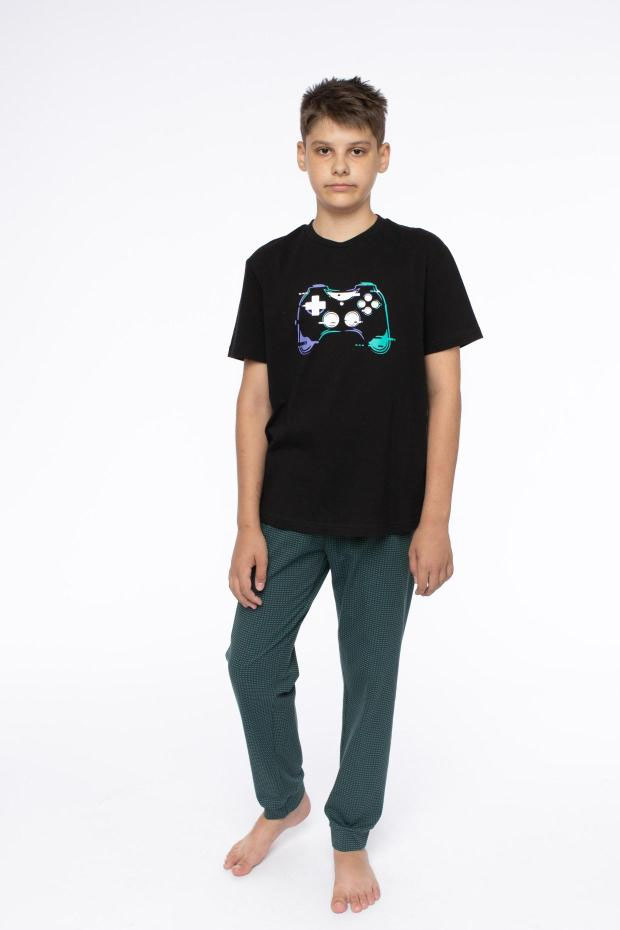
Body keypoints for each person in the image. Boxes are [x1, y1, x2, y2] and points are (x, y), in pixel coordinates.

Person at [222, 75, 483, 913]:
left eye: (357, 151)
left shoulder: (421, 259)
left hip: (386, 513)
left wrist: (435, 519)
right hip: (289, 511)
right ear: (301, 156)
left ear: (383, 158)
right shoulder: (271, 267)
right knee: (251, 661)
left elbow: (445, 393)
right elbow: (254, 402)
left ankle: (349, 834)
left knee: (371, 677)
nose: (341, 166)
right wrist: (246, 524)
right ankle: (283, 799)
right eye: (325, 150)